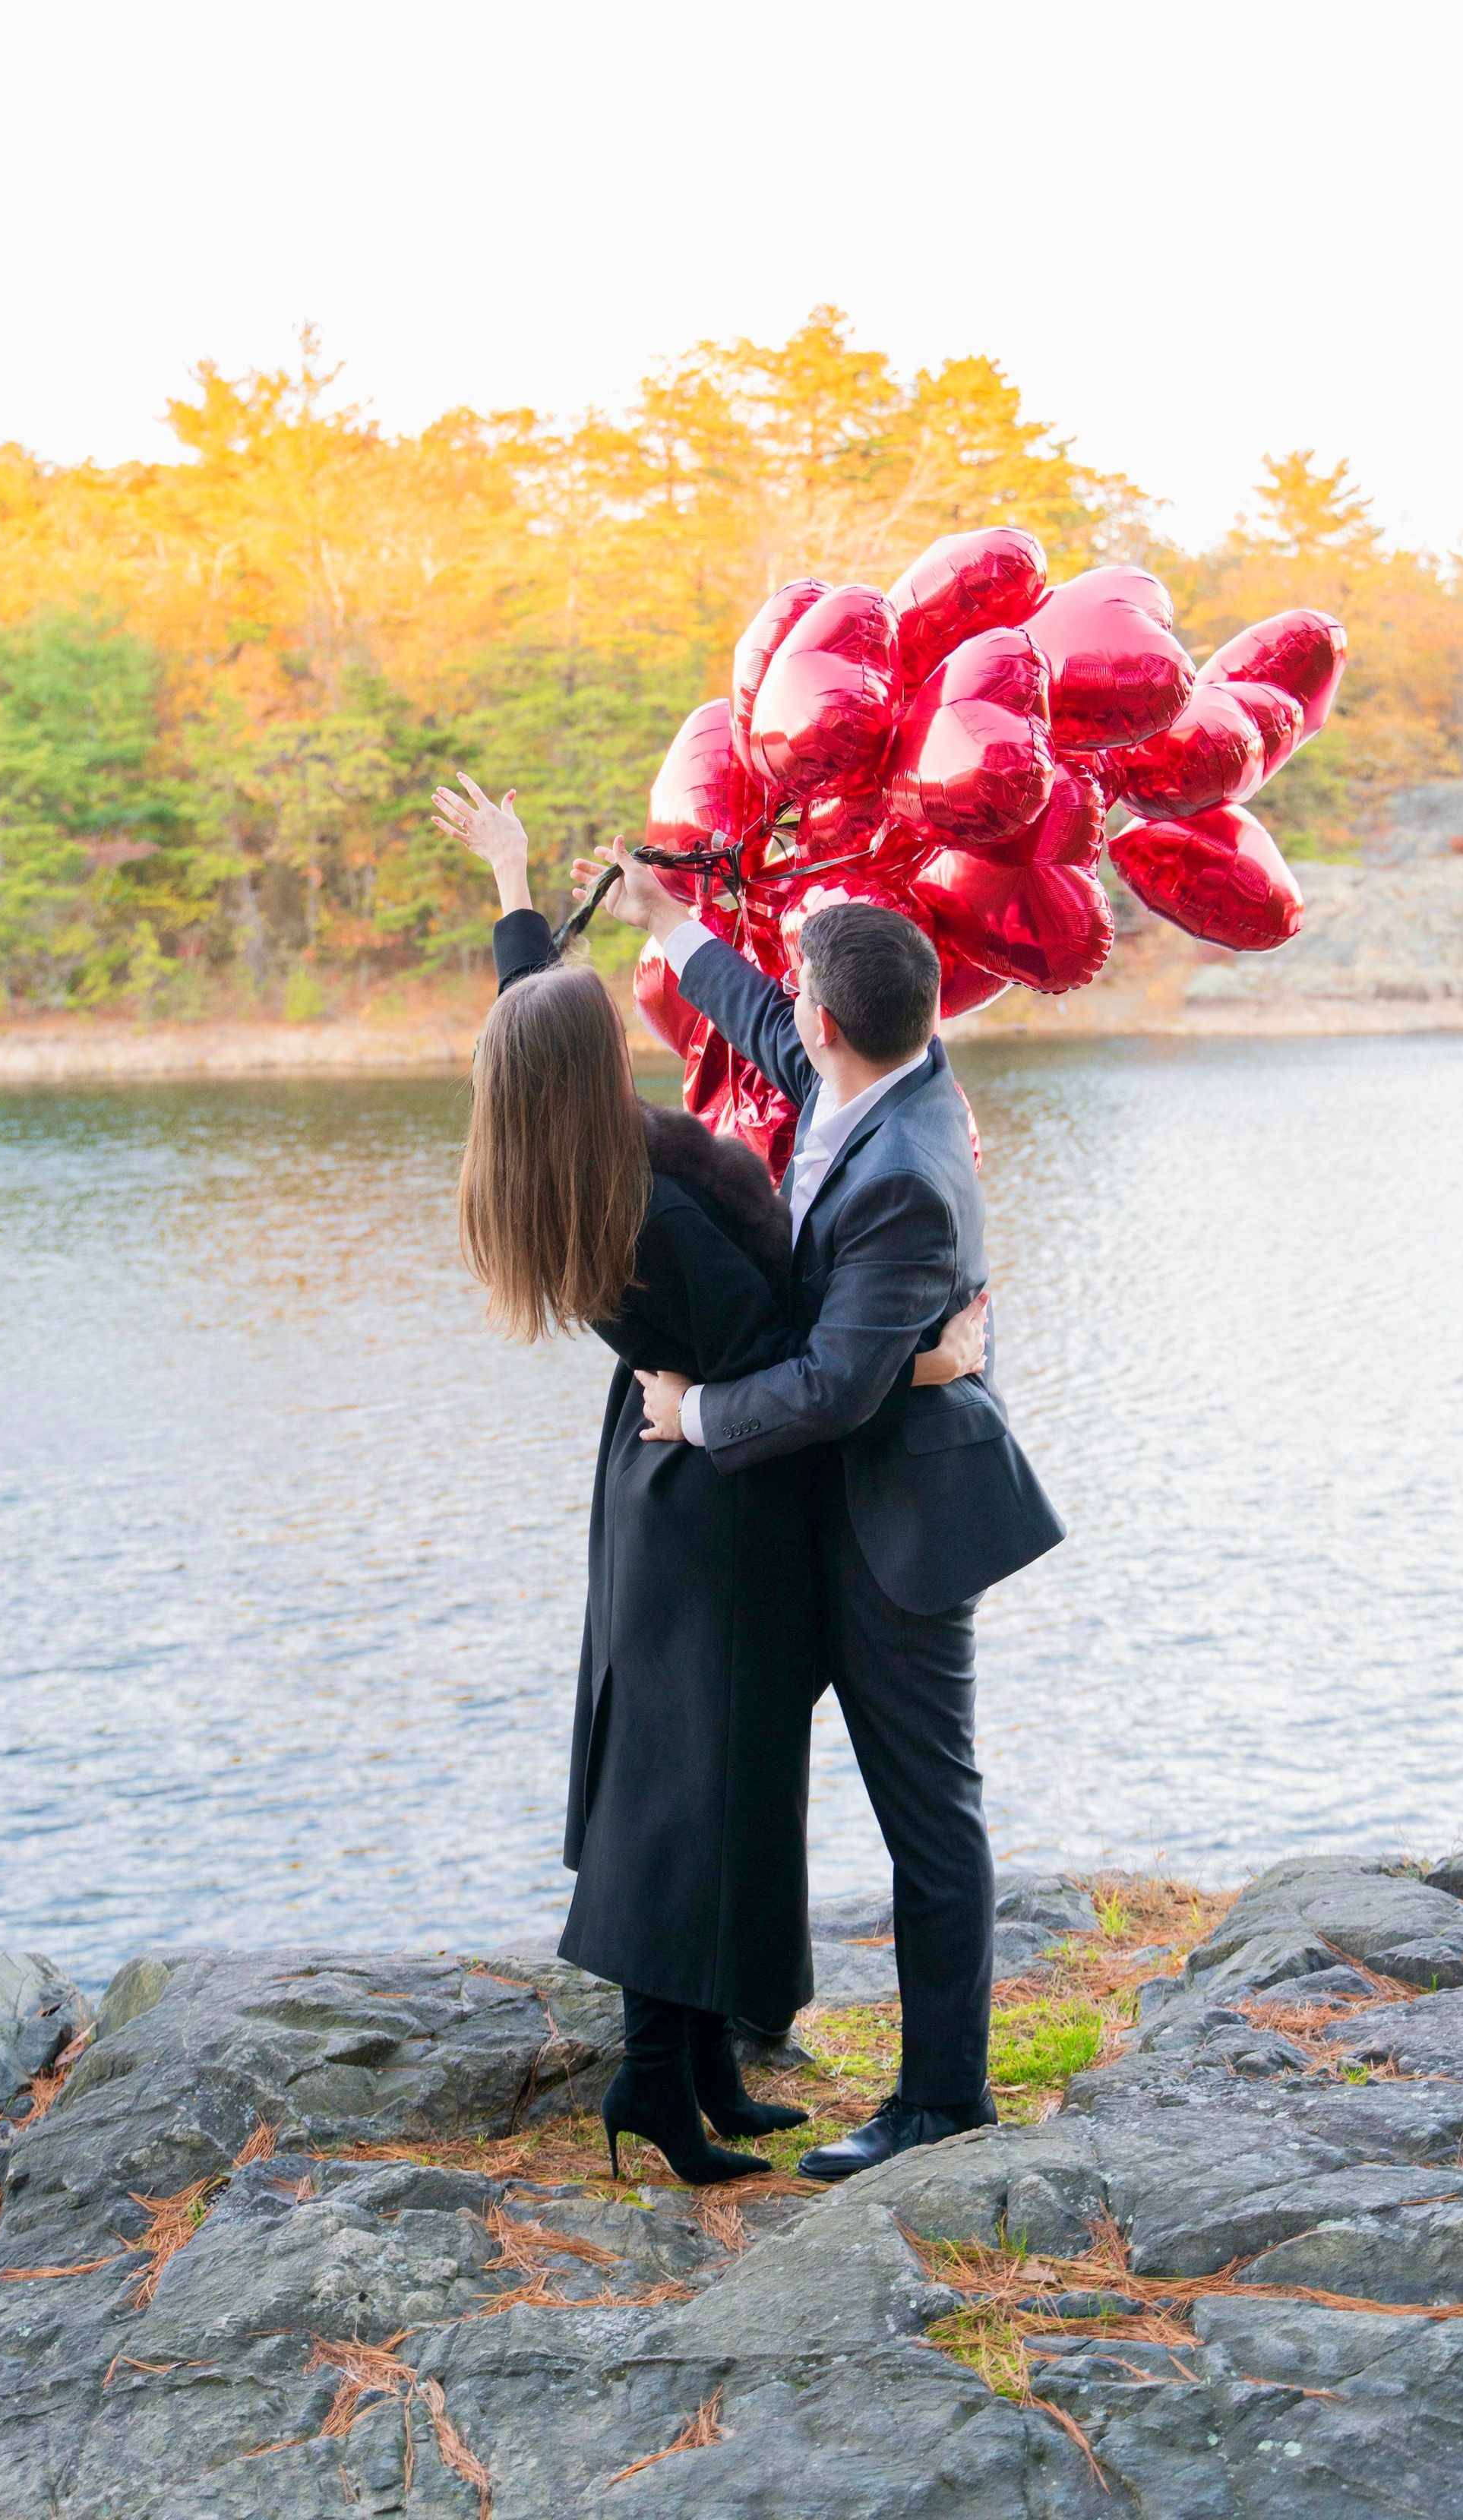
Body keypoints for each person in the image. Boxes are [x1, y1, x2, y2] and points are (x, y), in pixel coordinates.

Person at [430, 776, 993, 2187]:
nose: (615, 1013)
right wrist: (925, 1364)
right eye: (602, 1017)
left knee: (696, 1782)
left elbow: (544, 1020)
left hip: (665, 1472)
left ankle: (692, 2070)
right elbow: (804, 1364)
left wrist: (533, 887)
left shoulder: (555, 1146)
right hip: (715, 1481)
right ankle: (661, 2079)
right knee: (693, 1788)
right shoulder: (658, 1205)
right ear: (580, 1069)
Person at [575, 831, 1065, 2182]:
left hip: (900, 1532)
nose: (789, 1016)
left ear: (837, 1019)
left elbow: (838, 1387)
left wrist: (697, 1415)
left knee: (930, 1817)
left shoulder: (908, 1166)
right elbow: (768, 1028)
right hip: (820, 1511)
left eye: (803, 998)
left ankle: (941, 2100)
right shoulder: (877, 1075)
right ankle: (697, 2054)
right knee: (734, 1768)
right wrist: (674, 928)